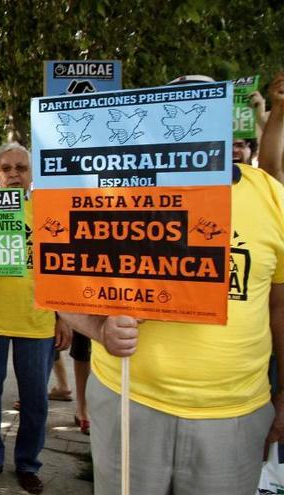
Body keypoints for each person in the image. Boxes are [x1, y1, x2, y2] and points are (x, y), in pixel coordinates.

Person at [60, 161, 284, 494]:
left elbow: (279, 306)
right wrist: (99, 328)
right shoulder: (107, 186)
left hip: (234, 415)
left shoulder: (269, 195)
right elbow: (58, 280)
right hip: (127, 399)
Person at [0, 143, 70, 494]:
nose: (13, 174)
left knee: (35, 397)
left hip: (35, 319)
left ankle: (28, 464)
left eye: (21, 167)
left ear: (31, 173)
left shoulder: (47, 210)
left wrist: (65, 317)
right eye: (6, 168)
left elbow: (61, 268)